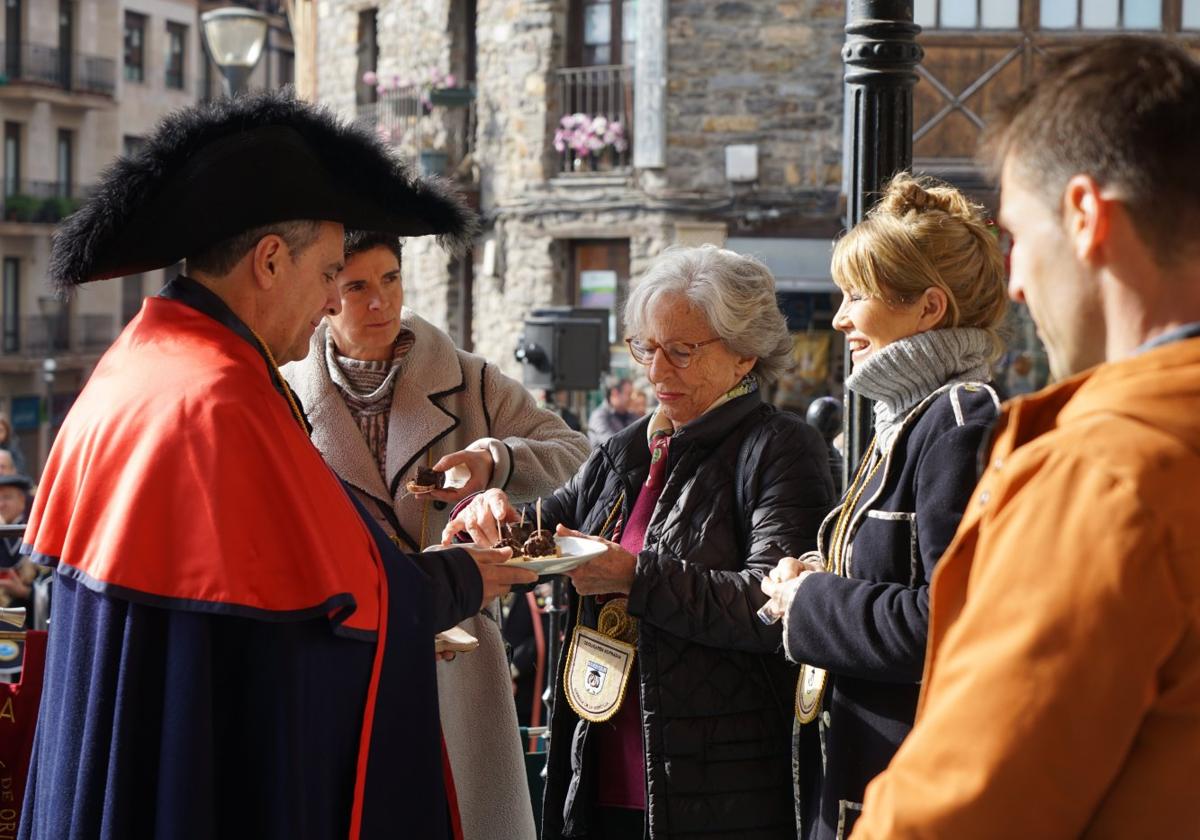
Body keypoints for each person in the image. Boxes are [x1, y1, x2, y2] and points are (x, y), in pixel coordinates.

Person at [17, 91, 535, 840]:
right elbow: (331, 614)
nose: (334, 299)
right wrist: (465, 577)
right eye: (329, 272)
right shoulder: (221, 399)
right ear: (268, 261)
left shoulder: (145, 357)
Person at [850, 37, 1200, 838]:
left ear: (1084, 216)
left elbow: (959, 810)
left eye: (1017, 235)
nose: (1012, 280)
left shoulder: (1110, 473)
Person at [446, 245, 836, 839]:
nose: (656, 373)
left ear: (743, 355)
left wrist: (634, 577)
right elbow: (550, 530)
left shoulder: (781, 449)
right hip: (599, 765)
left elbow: (774, 608)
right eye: (646, 349)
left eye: (681, 352)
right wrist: (496, 513)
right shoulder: (629, 447)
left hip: (717, 789)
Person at [282, 229, 588, 840]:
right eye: (357, 287)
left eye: (390, 280)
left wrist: (492, 460)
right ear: (325, 297)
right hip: (347, 650)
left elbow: (574, 451)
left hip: (458, 651)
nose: (380, 303)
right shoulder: (286, 391)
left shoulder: (468, 378)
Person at [757, 174, 1007, 840]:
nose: (840, 317)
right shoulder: (912, 417)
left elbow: (947, 623)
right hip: (868, 774)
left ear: (929, 308)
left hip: (910, 783)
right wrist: (816, 574)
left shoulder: (960, 422)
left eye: (857, 296)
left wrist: (808, 602)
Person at [586, 375, 636, 445]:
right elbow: (611, 443)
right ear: (615, 393)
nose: (631, 398)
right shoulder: (599, 416)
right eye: (628, 394)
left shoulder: (632, 416)